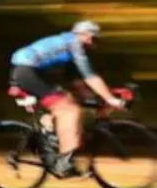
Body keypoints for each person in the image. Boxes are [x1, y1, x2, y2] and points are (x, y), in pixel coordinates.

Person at [10, 20, 125, 177]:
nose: (93, 42)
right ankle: (64, 163)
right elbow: (90, 76)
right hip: (28, 72)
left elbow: (78, 82)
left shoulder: (67, 46)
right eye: (92, 37)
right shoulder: (74, 44)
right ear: (81, 34)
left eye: (96, 39)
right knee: (70, 111)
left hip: (27, 71)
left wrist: (97, 99)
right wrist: (110, 99)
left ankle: (48, 140)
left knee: (68, 100)